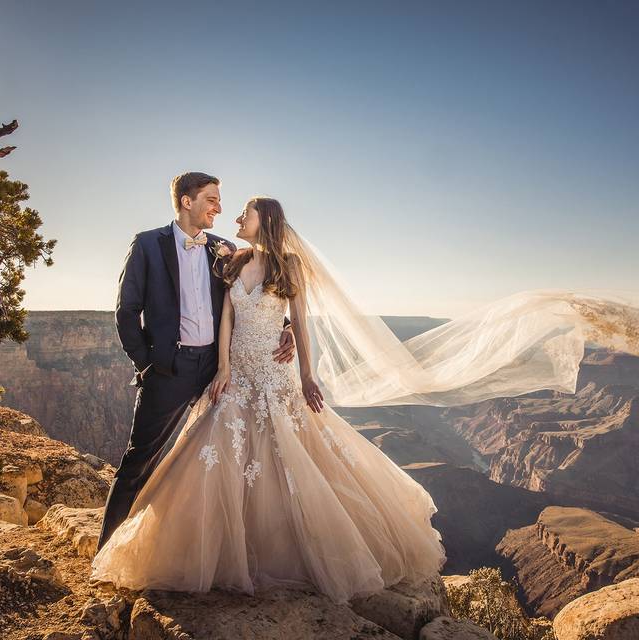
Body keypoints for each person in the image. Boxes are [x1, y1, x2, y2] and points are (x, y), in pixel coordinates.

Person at [91, 197, 448, 604]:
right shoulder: (235, 259)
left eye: (246, 212)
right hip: (233, 374)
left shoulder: (290, 265)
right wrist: (224, 369)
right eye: (227, 207)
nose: (236, 217)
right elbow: (226, 316)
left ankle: (289, 551)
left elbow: (298, 319)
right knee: (217, 455)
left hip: (274, 375)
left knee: (285, 456)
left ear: (268, 220)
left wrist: (306, 371)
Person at [96, 174, 295, 552]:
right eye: (212, 200)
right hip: (170, 370)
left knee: (233, 458)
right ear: (187, 202)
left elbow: (252, 299)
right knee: (139, 461)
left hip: (221, 370)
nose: (219, 208)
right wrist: (148, 364)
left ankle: (220, 551)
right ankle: (107, 552)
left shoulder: (223, 248)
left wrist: (288, 330)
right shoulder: (148, 244)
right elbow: (126, 311)